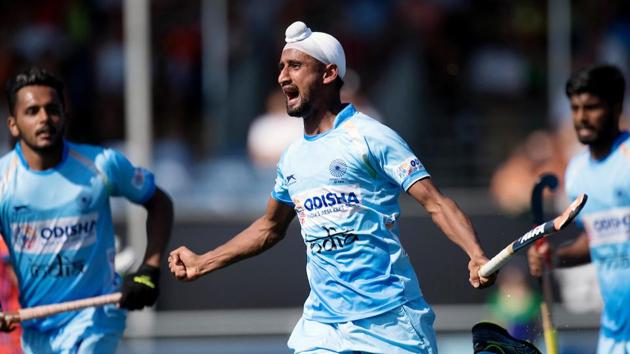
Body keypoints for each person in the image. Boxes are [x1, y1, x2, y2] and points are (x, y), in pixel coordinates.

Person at [169, 21, 495, 354]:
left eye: (295, 66)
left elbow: (436, 203)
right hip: (323, 327)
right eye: (281, 67)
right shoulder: (292, 158)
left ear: (328, 74)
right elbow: (269, 227)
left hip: (389, 321)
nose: (283, 76)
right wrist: (202, 262)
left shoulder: (371, 137)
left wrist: (475, 253)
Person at [0, 67, 174, 354]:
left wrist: (150, 269)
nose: (44, 118)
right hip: (36, 328)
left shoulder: (102, 164)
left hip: (97, 317)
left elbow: (159, 202)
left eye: (52, 109)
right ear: (13, 124)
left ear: (65, 116)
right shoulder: (4, 182)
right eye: (32, 111)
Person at [528, 64, 630, 354]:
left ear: (616, 107)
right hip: (613, 335)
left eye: (592, 107)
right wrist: (553, 258)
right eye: (575, 108)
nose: (581, 118)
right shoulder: (576, 173)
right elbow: (596, 239)